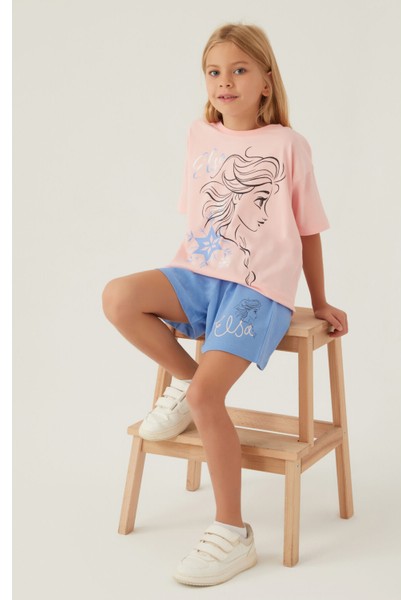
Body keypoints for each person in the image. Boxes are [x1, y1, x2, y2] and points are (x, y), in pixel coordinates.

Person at [102, 22, 348, 587]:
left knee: (209, 397)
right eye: (214, 72)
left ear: (266, 80)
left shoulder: (289, 145)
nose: (225, 82)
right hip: (199, 274)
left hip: (258, 291)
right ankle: (189, 385)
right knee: (119, 296)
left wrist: (320, 301)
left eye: (239, 70)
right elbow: (200, 221)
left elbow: (308, 231)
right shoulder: (199, 135)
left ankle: (233, 532)